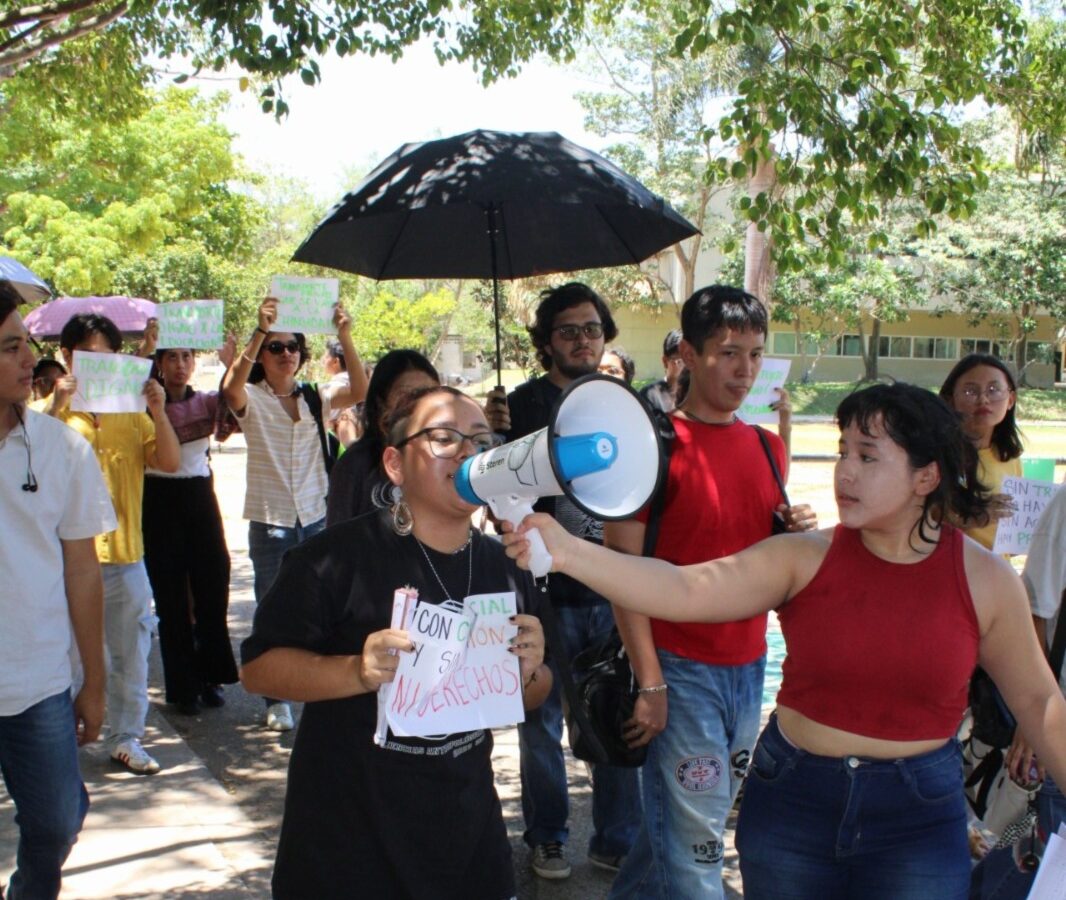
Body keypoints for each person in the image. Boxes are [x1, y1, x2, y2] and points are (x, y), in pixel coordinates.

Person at [505, 381, 1066, 900]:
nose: (845, 471)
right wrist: (570, 551)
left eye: (867, 457)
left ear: (926, 476)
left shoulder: (985, 580)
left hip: (918, 816)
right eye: (843, 451)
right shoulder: (804, 557)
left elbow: (1041, 704)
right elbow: (684, 587)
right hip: (795, 800)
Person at [240, 386, 551, 899]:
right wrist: (355, 672)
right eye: (444, 439)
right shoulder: (332, 559)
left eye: (480, 440)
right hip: (347, 850)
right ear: (394, 463)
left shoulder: (506, 564)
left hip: (468, 847)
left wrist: (530, 670)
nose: (467, 453)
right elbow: (259, 671)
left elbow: (535, 693)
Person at [604, 285, 815, 900]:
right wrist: (650, 681)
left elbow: (765, 560)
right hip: (677, 667)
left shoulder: (765, 446)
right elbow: (624, 572)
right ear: (687, 355)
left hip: (748, 667)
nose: (743, 369)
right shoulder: (650, 449)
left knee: (681, 822)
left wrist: (791, 532)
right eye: (727, 353)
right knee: (699, 849)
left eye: (754, 353)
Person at [499, 281, 641, 881]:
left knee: (613, 710)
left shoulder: (622, 404)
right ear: (545, 342)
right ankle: (549, 837)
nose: (581, 340)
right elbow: (499, 498)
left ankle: (616, 839)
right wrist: (495, 439)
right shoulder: (521, 406)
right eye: (567, 331)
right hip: (542, 592)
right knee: (540, 722)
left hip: (612, 590)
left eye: (591, 329)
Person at [0, 296, 115, 900]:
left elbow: (83, 572)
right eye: (10, 347)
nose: (30, 360)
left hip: (38, 682)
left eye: (27, 344)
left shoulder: (63, 448)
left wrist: (93, 681)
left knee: (57, 820)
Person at [37, 313, 181, 775]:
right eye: (87, 356)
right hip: (65, 560)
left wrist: (158, 410)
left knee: (130, 653)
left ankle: (126, 738)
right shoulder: (43, 414)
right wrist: (58, 406)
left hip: (125, 555)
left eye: (106, 355)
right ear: (66, 357)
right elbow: (30, 469)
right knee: (69, 656)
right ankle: (63, 738)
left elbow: (170, 461)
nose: (97, 364)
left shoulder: (129, 410)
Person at [221, 297, 368, 732]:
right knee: (272, 605)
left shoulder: (313, 397)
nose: (286, 354)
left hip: (314, 515)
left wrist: (345, 335)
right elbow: (230, 388)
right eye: (276, 347)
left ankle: (317, 682)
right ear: (263, 355)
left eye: (293, 347)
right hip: (271, 520)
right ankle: (276, 698)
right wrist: (259, 332)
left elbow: (360, 390)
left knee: (323, 603)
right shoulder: (249, 397)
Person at [142, 344, 239, 715]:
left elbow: (235, 407)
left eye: (186, 357)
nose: (180, 365)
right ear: (160, 363)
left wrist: (233, 364)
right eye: (171, 357)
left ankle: (210, 676)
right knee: (171, 596)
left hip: (200, 495)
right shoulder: (143, 401)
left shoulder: (208, 402)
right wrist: (145, 350)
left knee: (212, 586)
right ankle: (183, 687)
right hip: (158, 499)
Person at [326, 349, 440, 527]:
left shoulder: (450, 456)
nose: (419, 404)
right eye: (406, 395)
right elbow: (336, 541)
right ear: (381, 402)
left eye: (429, 394)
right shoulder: (354, 465)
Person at [939, 353, 1023, 550]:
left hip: (998, 572)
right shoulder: (936, 455)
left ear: (1010, 400)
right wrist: (974, 516)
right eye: (970, 392)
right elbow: (924, 517)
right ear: (950, 400)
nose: (983, 399)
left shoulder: (1009, 457)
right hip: (953, 569)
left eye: (994, 390)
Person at [320, 338, 360, 447]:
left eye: (326, 356)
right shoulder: (359, 384)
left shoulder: (334, 388)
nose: (323, 360)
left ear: (335, 361)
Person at [639, 329, 683, 413]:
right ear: (665, 361)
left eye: (689, 360)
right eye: (679, 361)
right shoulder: (650, 395)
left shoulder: (700, 396)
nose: (685, 366)